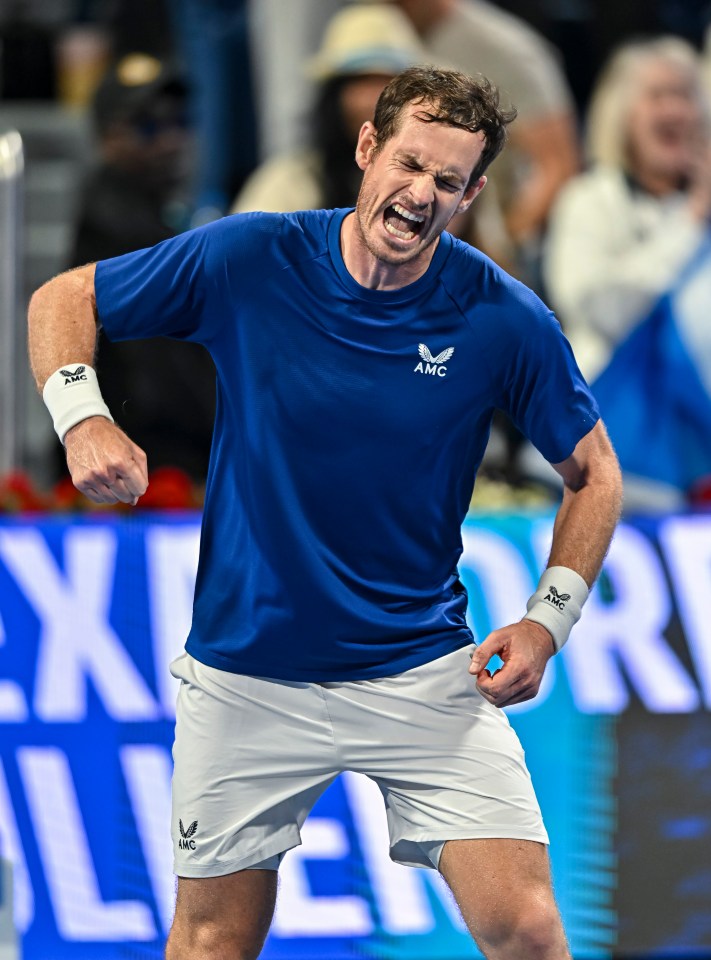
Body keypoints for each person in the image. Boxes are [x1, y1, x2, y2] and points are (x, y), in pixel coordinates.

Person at [28, 67, 622, 959]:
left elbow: (595, 473)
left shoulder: (502, 318)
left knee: (529, 930)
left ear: (471, 195)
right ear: (366, 149)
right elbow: (63, 299)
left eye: (448, 182)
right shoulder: (248, 258)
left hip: (421, 670)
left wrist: (546, 624)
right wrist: (84, 420)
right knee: (210, 943)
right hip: (246, 674)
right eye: (410, 164)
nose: (420, 195)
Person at [65, 52, 216, 481]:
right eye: (148, 126)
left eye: (179, 123)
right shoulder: (119, 224)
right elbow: (159, 376)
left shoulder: (155, 215)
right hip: (146, 466)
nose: (170, 141)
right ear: (106, 138)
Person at [543, 36, 711, 383]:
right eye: (658, 96)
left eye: (684, 95)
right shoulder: (588, 199)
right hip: (610, 403)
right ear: (623, 115)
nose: (675, 110)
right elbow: (603, 313)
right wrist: (691, 218)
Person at [392, 0, 580, 285]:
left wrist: (500, 248)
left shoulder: (503, 49)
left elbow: (557, 165)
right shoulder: (376, 31)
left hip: (474, 245)